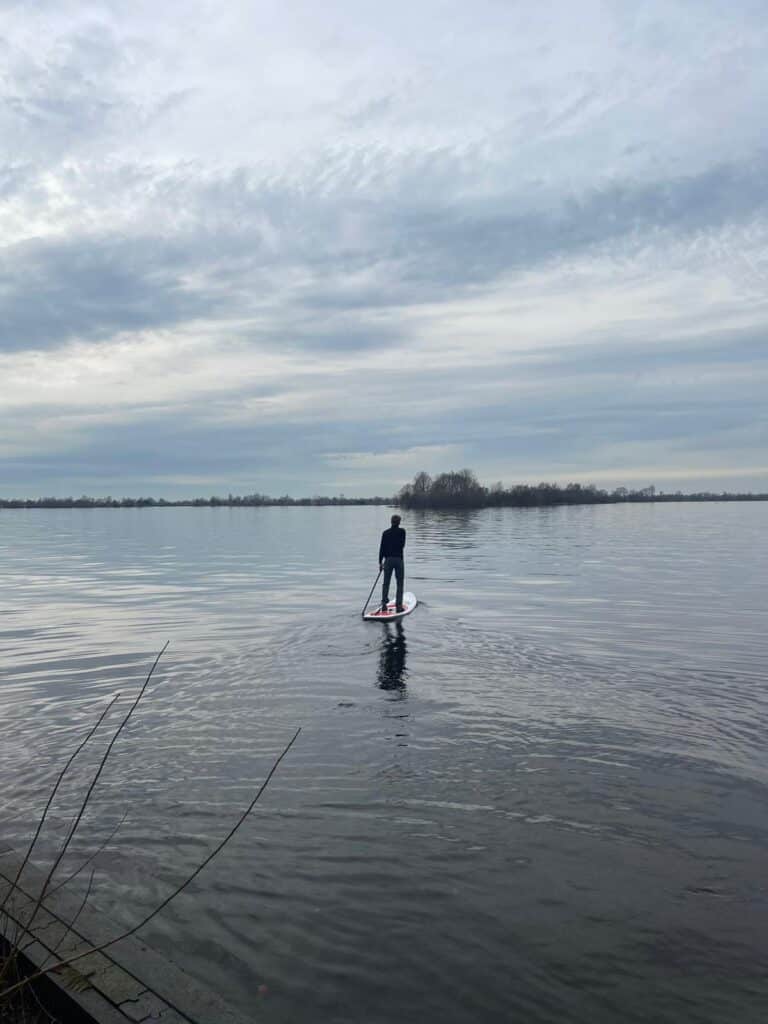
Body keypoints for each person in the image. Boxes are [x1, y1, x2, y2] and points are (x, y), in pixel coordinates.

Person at [379, 513, 406, 612]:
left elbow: (382, 548)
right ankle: (399, 606)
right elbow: (402, 545)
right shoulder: (402, 532)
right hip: (398, 559)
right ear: (399, 522)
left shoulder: (385, 533)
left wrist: (380, 562)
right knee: (400, 583)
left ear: (391, 522)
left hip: (388, 560)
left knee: (386, 583)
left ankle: (384, 603)